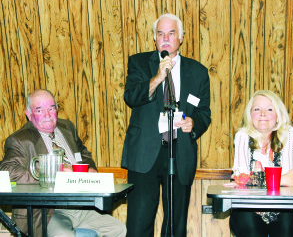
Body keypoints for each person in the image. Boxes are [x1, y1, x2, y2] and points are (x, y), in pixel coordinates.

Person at [122, 13, 211, 236]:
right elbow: (131, 97)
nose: (166, 38)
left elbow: (204, 112)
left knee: (175, 226)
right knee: (138, 224)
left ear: (181, 38)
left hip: (180, 153)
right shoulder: (139, 63)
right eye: (160, 33)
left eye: (171, 33)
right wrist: (157, 78)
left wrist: (194, 122)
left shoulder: (198, 71)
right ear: (155, 39)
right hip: (144, 155)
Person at [0, 89, 126, 237]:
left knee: (118, 229)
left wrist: (90, 168)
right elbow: (7, 171)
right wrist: (52, 173)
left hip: (80, 206)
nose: (47, 115)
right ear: (28, 114)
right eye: (39, 110)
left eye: (51, 108)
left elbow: (83, 153)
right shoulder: (20, 140)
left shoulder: (67, 128)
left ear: (57, 109)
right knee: (63, 235)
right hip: (48, 212)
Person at [226, 90, 293, 237]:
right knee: (247, 223)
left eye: (269, 109)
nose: (263, 113)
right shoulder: (242, 136)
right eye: (257, 109)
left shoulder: (288, 133)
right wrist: (281, 179)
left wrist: (253, 179)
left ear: (278, 115)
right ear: (250, 115)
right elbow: (241, 178)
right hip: (249, 208)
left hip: (284, 208)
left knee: (288, 225)